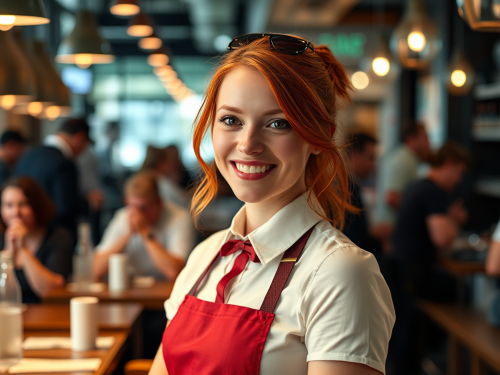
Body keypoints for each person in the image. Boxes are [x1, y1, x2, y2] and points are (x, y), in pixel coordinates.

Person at [149, 33, 394, 375]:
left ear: (319, 136)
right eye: (231, 120)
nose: (248, 144)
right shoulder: (205, 256)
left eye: (278, 123)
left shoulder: (340, 273)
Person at [388, 141, 470, 375]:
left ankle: (436, 354)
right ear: (449, 164)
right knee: (461, 292)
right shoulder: (433, 191)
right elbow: (442, 239)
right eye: (459, 172)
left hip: (400, 270)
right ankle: (450, 357)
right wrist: (454, 220)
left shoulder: (418, 186)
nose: (459, 179)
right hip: (413, 273)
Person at [93, 170, 194, 281]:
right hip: (129, 289)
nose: (138, 214)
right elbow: (96, 268)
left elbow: (174, 271)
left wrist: (145, 232)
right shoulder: (122, 216)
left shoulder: (180, 218)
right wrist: (128, 234)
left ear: (159, 203)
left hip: (164, 289)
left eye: (144, 208)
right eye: (132, 206)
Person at [14, 118, 95, 242]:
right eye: (85, 145)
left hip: (25, 233)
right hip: (55, 239)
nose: (83, 151)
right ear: (79, 138)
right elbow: (65, 207)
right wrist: (89, 203)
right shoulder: (64, 163)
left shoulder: (27, 156)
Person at [0, 177, 73, 303]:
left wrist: (23, 249)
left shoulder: (58, 237)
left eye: (23, 204)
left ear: (37, 205)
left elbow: (49, 290)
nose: (15, 212)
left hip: (46, 317)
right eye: (9, 205)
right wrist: (8, 250)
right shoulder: (2, 238)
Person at [375, 122, 430, 228]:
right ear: (411, 139)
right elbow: (391, 198)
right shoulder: (402, 160)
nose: (428, 144)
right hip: (392, 229)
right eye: (425, 138)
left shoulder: (409, 159)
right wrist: (420, 213)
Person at [342, 132, 383, 259]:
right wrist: (378, 237)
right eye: (370, 158)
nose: (373, 164)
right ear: (354, 156)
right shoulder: (346, 188)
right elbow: (354, 239)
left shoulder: (346, 183)